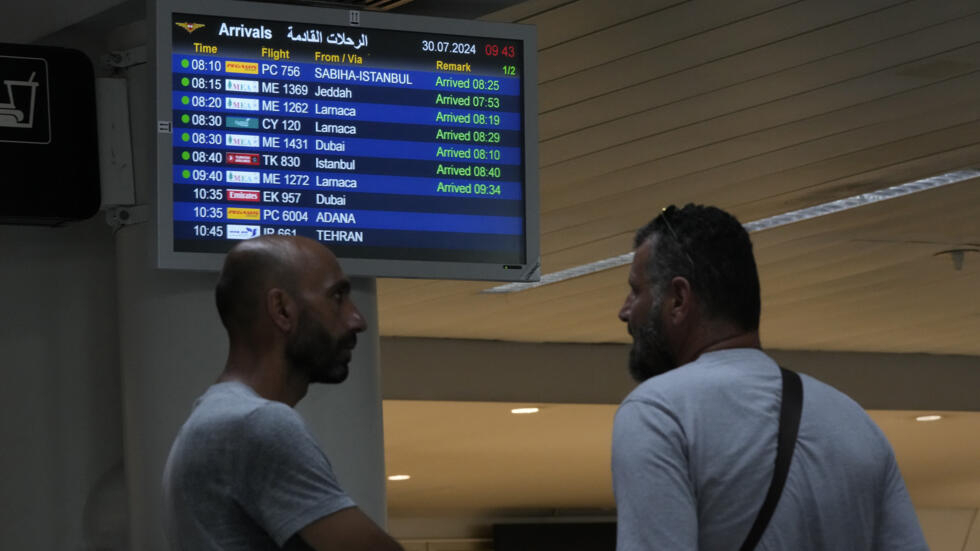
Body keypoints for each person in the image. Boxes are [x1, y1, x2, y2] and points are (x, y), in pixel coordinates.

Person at [613, 204, 927, 550]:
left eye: (636, 290)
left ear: (679, 299)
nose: (625, 310)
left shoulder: (659, 413)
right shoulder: (853, 421)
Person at [163, 235, 402, 551]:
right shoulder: (257, 424)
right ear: (282, 309)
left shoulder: (211, 421)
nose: (357, 320)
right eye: (337, 297)